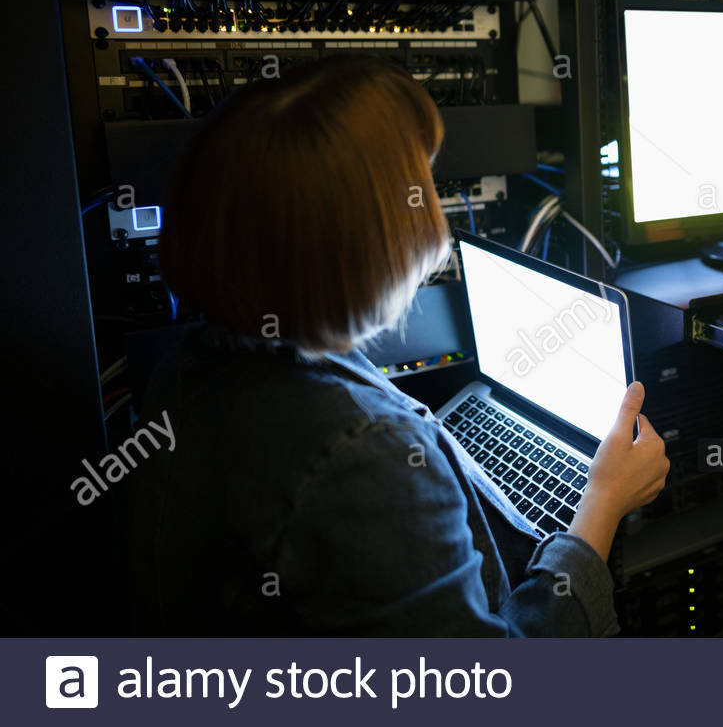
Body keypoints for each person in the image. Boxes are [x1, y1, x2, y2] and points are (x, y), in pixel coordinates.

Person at [127, 55, 669, 635]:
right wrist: (603, 505)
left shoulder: (191, 365)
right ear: (372, 236)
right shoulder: (365, 458)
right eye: (422, 185)